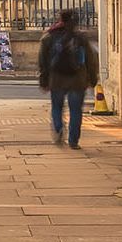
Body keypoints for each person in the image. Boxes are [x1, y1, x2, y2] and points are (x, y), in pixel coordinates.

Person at [37, 9, 98, 147]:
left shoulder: (49, 37)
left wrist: (43, 79)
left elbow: (43, 61)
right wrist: (93, 79)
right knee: (76, 110)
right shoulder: (81, 38)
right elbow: (91, 60)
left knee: (57, 107)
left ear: (60, 19)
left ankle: (58, 129)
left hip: (56, 78)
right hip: (77, 79)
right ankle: (73, 140)